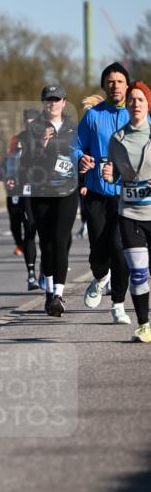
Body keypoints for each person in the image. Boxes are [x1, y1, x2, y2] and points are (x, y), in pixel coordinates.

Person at [76, 63, 132, 324]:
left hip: (126, 194)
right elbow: (76, 146)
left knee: (120, 250)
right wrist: (81, 160)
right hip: (97, 192)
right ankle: (100, 277)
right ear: (104, 86)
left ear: (127, 85)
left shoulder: (139, 115)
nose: (115, 86)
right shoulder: (92, 116)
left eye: (120, 81)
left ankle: (118, 304)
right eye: (111, 81)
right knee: (99, 248)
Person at [19, 85, 79, 317]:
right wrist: (42, 146)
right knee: (46, 243)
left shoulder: (74, 127)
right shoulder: (34, 128)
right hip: (42, 192)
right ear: (42, 103)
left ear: (64, 102)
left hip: (67, 190)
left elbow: (82, 152)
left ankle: (58, 295)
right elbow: (26, 162)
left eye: (56, 100)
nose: (52, 104)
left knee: (60, 240)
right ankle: (49, 291)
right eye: (48, 100)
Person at [102, 81, 151, 342]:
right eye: (131, 100)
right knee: (139, 272)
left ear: (147, 104)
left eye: (140, 99)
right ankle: (144, 325)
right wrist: (109, 175)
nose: (135, 104)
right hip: (130, 213)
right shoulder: (117, 139)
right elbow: (114, 176)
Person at [5, 109, 40, 290]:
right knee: (29, 229)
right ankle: (31, 274)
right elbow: (10, 161)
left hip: (45, 190)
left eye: (33, 121)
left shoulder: (47, 137)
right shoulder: (17, 139)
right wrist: (10, 178)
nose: (30, 125)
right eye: (27, 122)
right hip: (25, 188)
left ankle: (49, 271)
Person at [75, 94, 104, 239]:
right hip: (90, 182)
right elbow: (77, 151)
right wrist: (83, 183)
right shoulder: (88, 124)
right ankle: (84, 224)